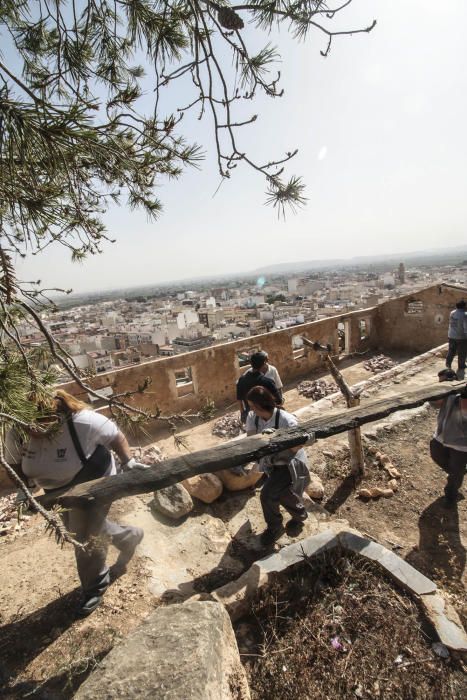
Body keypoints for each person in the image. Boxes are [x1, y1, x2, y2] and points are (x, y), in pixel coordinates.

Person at [21, 390, 145, 617]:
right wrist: (24, 491)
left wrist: (129, 461)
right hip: (56, 489)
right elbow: (14, 464)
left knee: (84, 536)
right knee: (82, 526)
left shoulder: (82, 422)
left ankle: (95, 585)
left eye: (41, 424)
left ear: (55, 414)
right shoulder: (17, 428)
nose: (34, 431)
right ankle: (130, 536)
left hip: (93, 478)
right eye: (29, 425)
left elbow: (115, 435)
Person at [245, 386, 310, 545]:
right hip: (272, 462)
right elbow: (252, 440)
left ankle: (275, 528)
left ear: (260, 405)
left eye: (252, 405)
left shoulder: (286, 420)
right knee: (280, 492)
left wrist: (276, 441)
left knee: (267, 494)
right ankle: (300, 514)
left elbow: (300, 444)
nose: (250, 409)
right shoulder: (253, 418)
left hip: (290, 463)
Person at [429, 369, 466, 506]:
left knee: (455, 474)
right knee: (436, 454)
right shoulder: (447, 394)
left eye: (444, 382)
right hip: (441, 437)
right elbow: (434, 404)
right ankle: (458, 472)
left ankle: (451, 497)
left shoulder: (462, 394)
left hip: (460, 443)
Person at [236, 351, 282, 423]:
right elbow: (278, 401)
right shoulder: (267, 382)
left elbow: (239, 399)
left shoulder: (241, 380)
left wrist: (243, 413)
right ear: (264, 363)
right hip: (268, 417)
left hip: (251, 417)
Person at [446, 300, 467, 380]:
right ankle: (461, 366)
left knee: (451, 350)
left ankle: (448, 364)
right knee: (462, 352)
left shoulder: (452, 313)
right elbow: (466, 327)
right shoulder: (465, 315)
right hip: (461, 337)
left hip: (451, 335)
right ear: (464, 306)